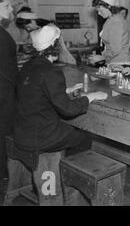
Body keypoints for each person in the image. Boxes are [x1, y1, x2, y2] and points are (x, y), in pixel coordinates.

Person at [13, 25, 107, 156]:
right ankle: (68, 173)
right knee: (84, 139)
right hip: (40, 135)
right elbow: (67, 110)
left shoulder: (28, 66)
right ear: (55, 45)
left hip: (22, 131)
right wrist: (91, 97)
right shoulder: (51, 71)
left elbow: (36, 92)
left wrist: (66, 90)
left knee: (70, 131)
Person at [0, 0, 17, 180]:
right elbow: (9, 71)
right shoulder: (1, 36)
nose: (11, 9)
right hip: (4, 95)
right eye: (6, 5)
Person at [92, 0, 130, 67]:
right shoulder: (111, 20)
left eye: (100, 10)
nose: (99, 13)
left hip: (120, 63)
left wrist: (101, 57)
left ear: (108, 7)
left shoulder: (116, 22)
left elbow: (115, 50)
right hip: (114, 61)